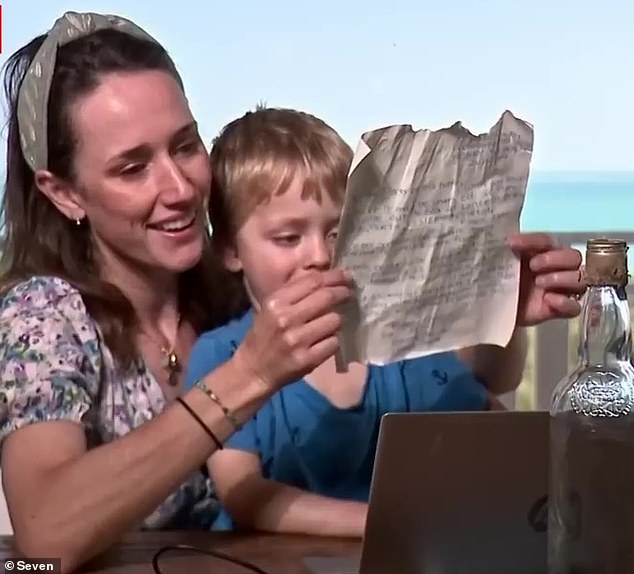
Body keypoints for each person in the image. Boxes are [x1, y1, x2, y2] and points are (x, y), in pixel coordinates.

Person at [0, 12, 353, 573]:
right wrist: (249, 377)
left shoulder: (233, 290)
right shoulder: (46, 316)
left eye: (185, 146)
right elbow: (46, 537)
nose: (180, 186)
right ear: (64, 194)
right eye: (134, 167)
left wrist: (499, 310)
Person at [184, 106, 585, 538]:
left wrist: (500, 306)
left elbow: (492, 382)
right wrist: (389, 523)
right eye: (288, 238)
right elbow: (244, 496)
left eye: (337, 233)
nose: (319, 255)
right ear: (229, 249)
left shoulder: (395, 335)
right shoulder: (221, 356)